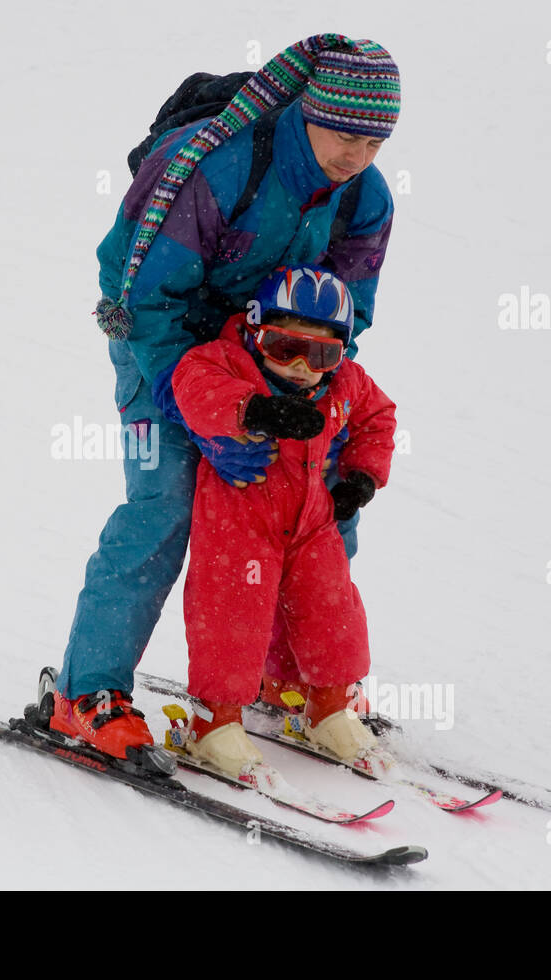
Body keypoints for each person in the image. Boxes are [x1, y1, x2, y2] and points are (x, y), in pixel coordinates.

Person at [50, 34, 401, 759]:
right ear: (310, 111)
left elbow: (347, 312)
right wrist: (210, 414)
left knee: (319, 503)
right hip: (158, 344)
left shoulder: (365, 197)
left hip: (277, 359)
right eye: (345, 133)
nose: (357, 156)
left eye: (375, 141)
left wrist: (315, 410)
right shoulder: (219, 170)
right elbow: (145, 304)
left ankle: (294, 680)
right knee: (167, 505)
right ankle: (88, 693)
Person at [166, 265, 396, 778]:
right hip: (238, 519)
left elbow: (376, 419)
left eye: (320, 354)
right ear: (254, 331)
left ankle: (328, 707)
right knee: (232, 615)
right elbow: (193, 386)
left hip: (313, 521)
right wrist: (254, 412)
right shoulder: (227, 364)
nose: (300, 367)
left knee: (331, 611)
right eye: (283, 346)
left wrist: (361, 477)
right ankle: (215, 724)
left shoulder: (345, 383)